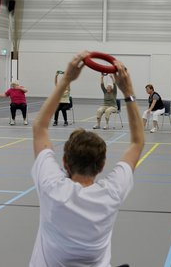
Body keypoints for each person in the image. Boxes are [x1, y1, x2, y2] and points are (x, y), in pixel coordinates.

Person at [30, 51, 144, 267]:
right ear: (101, 166)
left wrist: (66, 79)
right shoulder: (111, 193)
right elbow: (137, 143)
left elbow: (40, 127)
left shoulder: (51, 188)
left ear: (64, 162)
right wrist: (128, 91)